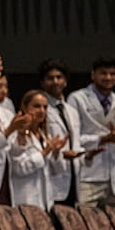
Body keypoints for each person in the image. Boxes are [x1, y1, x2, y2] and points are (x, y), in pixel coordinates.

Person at [67, 55, 115, 206]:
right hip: (88, 176)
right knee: (83, 224)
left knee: (112, 226)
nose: (108, 77)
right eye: (103, 73)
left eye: (113, 74)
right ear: (93, 74)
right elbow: (71, 139)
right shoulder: (77, 99)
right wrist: (103, 139)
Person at [8, 90, 66, 211]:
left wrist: (55, 152)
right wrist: (44, 152)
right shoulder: (15, 135)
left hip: (46, 201)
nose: (42, 111)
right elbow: (18, 168)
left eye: (45, 107)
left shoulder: (44, 135)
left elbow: (58, 171)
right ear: (24, 107)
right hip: (25, 200)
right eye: (36, 106)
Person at [39, 58, 84, 203]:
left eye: (59, 77)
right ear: (42, 83)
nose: (55, 81)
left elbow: (75, 141)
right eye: (50, 78)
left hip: (72, 177)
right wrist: (61, 154)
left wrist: (82, 154)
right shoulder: (39, 110)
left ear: (65, 82)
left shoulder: (72, 111)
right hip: (51, 174)